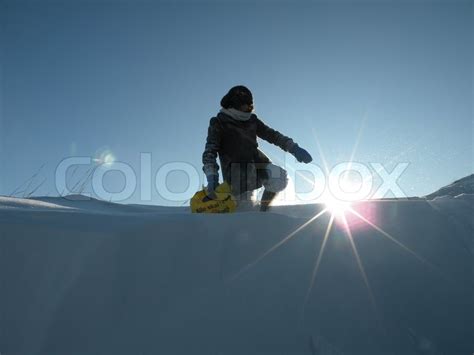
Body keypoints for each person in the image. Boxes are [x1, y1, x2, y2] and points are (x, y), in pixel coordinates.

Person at [202, 85, 313, 211]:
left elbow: (272, 135)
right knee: (245, 209)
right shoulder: (219, 122)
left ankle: (263, 211)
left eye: (250, 105)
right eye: (245, 105)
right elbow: (209, 152)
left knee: (278, 177)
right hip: (237, 173)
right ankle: (250, 216)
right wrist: (212, 177)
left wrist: (294, 148)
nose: (248, 108)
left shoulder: (252, 120)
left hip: (258, 163)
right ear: (234, 103)